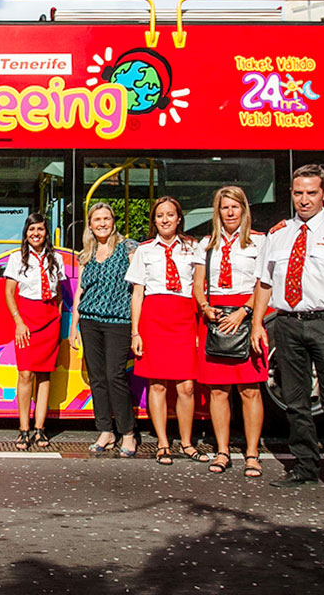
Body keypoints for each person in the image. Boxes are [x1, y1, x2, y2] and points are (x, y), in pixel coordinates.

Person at [251, 164, 324, 505]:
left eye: (311, 193)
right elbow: (265, 282)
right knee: (295, 402)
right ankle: (305, 465)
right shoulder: (278, 233)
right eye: (298, 193)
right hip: (288, 323)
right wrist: (257, 323)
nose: (304, 199)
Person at [192, 186, 267, 477]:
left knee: (250, 390)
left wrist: (245, 311)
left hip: (247, 316)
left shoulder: (259, 242)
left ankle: (252, 453)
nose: (230, 212)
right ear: (218, 211)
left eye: (235, 207)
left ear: (244, 210)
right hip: (215, 317)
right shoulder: (207, 243)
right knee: (218, 390)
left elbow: (264, 284)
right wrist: (204, 306)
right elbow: (198, 284)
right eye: (225, 208)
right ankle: (222, 450)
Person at [128, 196, 206, 466]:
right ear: (154, 221)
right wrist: (135, 333)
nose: (164, 219)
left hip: (183, 318)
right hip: (154, 318)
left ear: (179, 218)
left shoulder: (194, 248)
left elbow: (198, 287)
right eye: (159, 215)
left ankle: (186, 442)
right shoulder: (144, 250)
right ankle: (162, 442)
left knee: (186, 385)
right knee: (157, 384)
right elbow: (137, 293)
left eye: (170, 214)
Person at [69, 202, 139, 457]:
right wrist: (73, 326)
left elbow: (138, 287)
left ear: (113, 221)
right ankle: (105, 430)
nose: (102, 223)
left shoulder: (128, 248)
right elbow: (80, 292)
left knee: (115, 376)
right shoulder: (85, 254)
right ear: (90, 225)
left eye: (106, 218)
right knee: (97, 378)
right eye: (97, 219)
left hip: (118, 322)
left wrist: (136, 328)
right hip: (89, 322)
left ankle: (128, 433)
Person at [4, 214, 62, 450]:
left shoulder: (56, 258)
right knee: (26, 373)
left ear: (46, 232)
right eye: (31, 229)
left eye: (40, 229)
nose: (36, 233)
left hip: (49, 319)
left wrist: (57, 317)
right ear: (25, 233)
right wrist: (19, 321)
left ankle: (40, 429)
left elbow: (60, 294)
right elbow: (9, 293)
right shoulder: (17, 258)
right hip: (27, 318)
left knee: (45, 374)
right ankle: (23, 429)